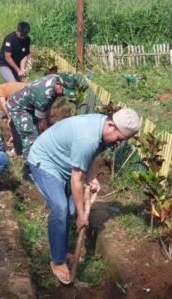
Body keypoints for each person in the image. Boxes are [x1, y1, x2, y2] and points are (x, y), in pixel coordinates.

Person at [26, 108, 141, 284]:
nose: (118, 143)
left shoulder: (102, 127)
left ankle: (62, 249)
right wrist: (81, 215)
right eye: (119, 138)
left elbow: (90, 156)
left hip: (64, 162)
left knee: (70, 208)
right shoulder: (87, 138)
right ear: (111, 125)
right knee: (60, 208)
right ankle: (57, 261)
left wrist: (92, 176)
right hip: (45, 161)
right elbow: (77, 177)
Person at [6, 73, 82, 158]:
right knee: (31, 135)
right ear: (58, 84)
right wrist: (47, 136)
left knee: (37, 129)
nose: (64, 94)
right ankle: (29, 163)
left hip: (31, 104)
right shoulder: (44, 95)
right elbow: (42, 122)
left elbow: (47, 106)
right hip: (18, 106)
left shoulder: (55, 78)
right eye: (64, 90)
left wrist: (49, 122)